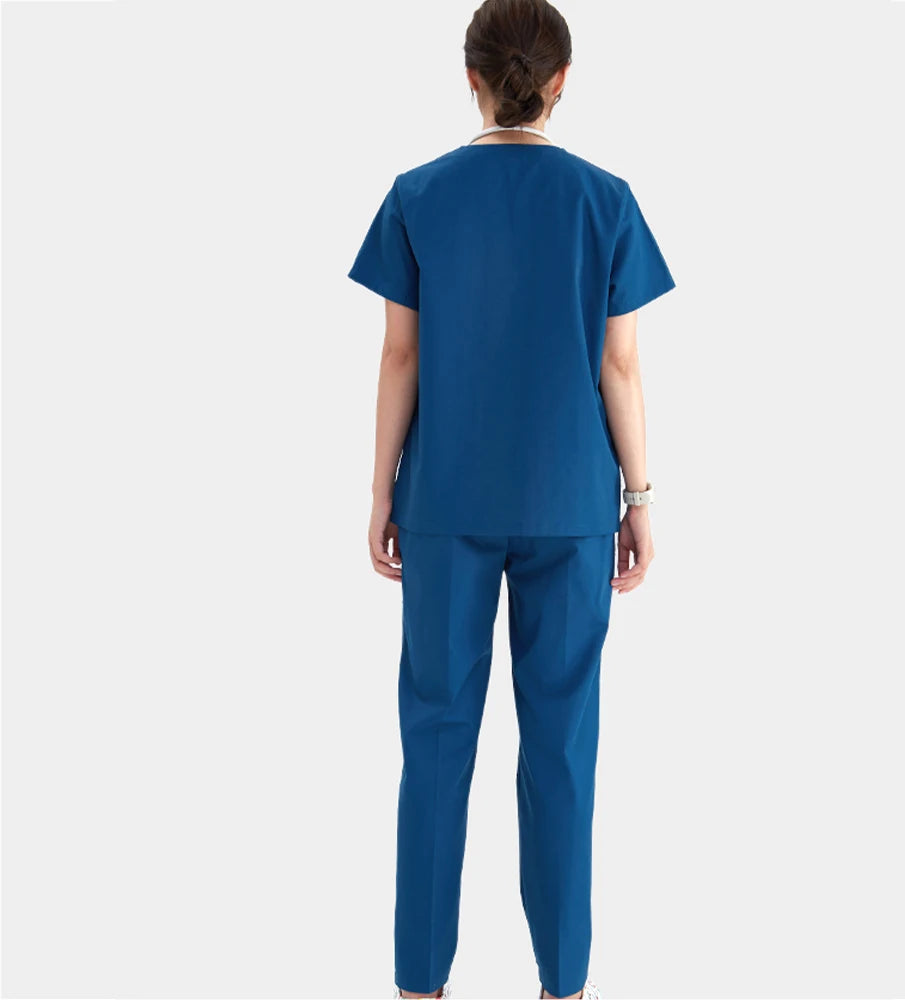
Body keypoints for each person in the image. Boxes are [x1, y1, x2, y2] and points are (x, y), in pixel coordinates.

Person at [347, 1, 676, 997]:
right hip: (570, 502)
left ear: (471, 79)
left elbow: (400, 356)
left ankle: (419, 982)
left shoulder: (417, 195)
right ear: (562, 82)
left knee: (434, 741)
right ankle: (562, 983)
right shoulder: (605, 201)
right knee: (563, 750)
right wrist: (639, 496)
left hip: (444, 500)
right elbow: (620, 367)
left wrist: (380, 490)